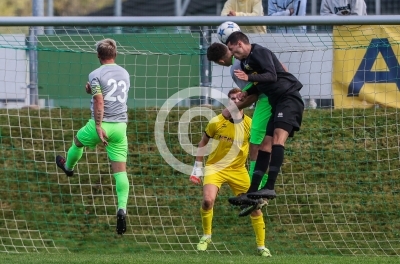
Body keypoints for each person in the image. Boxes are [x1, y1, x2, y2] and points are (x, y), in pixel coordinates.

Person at [55, 38, 131, 235]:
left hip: (102, 124)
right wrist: (93, 91)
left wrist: (97, 125)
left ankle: (68, 167)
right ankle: (122, 208)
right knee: (120, 172)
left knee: (78, 142)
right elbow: (109, 94)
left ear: (98, 56)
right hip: (120, 126)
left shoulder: (95, 73)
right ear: (115, 54)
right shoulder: (124, 72)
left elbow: (99, 100)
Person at [223, 31, 304, 206]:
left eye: (232, 49)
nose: (232, 54)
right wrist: (247, 91)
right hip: (277, 103)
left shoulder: (260, 52)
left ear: (240, 44)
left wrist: (249, 78)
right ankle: (251, 193)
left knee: (277, 140)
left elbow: (272, 75)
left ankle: (270, 186)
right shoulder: (245, 63)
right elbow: (260, 84)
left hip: (289, 99)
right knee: (263, 146)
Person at [189, 88, 272, 257]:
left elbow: (256, 150)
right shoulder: (216, 122)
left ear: (244, 101)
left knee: (255, 206)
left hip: (238, 170)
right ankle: (206, 236)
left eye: (238, 98)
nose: (235, 101)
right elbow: (202, 143)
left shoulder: (250, 124)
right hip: (215, 167)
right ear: (228, 102)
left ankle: (261, 246)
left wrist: (258, 177)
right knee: (207, 201)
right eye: (231, 99)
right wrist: (197, 169)